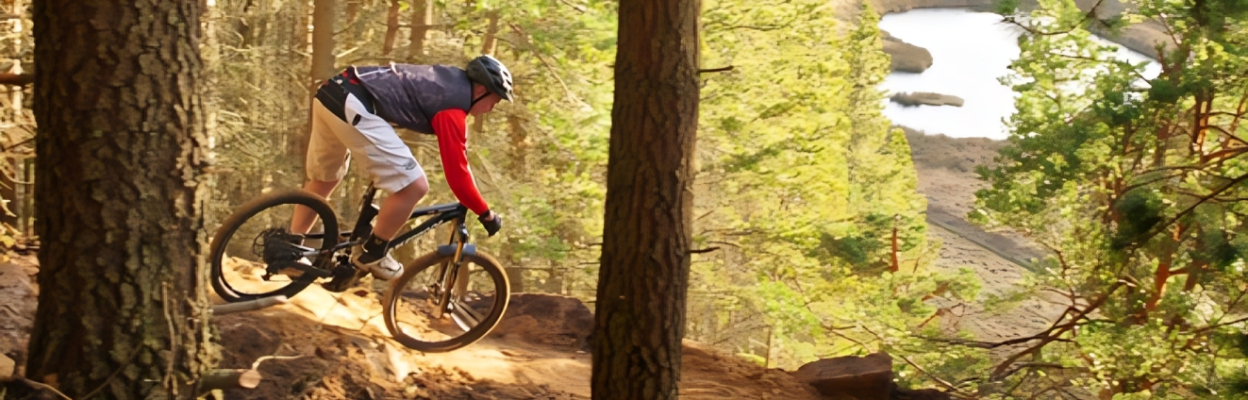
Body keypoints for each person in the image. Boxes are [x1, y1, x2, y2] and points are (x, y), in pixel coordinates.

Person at [288, 55, 511, 280]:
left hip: (331, 92)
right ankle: (372, 253)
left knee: (326, 179)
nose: (493, 108)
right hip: (354, 104)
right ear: (481, 89)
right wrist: (485, 213)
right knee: (414, 186)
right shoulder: (453, 107)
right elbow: (457, 175)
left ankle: (290, 249)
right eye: (495, 99)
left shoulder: (444, 82)